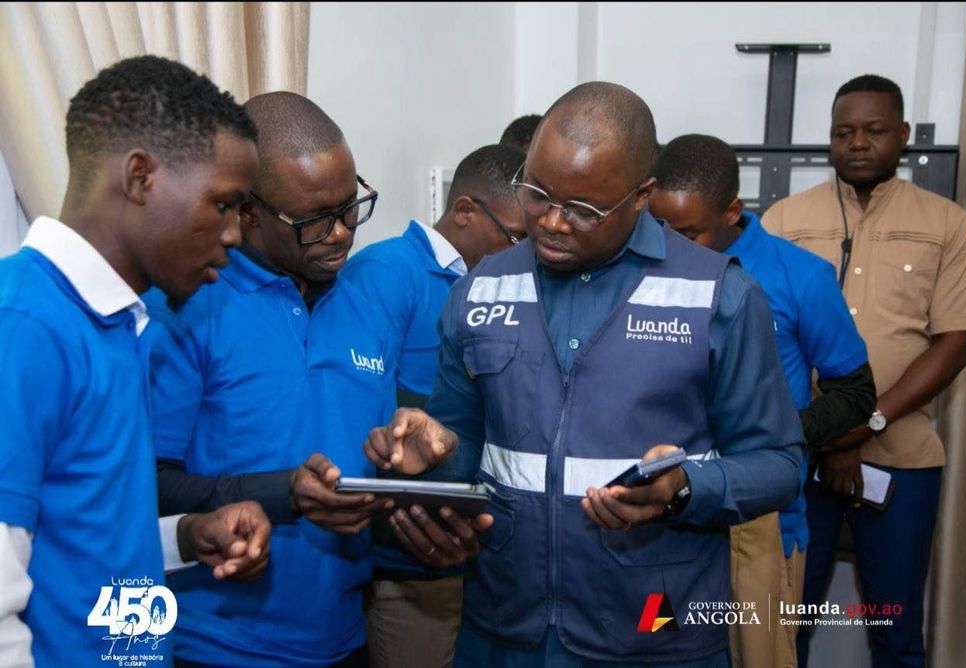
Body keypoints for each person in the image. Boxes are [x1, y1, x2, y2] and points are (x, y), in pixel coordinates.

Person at [365, 81, 805, 667]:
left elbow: (779, 464)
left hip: (652, 630)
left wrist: (685, 488)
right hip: (504, 627)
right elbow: (464, 443)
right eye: (537, 194)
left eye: (583, 209)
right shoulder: (482, 288)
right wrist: (432, 452)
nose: (552, 222)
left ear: (641, 196)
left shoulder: (717, 294)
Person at [144, 91, 451, 668]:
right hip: (209, 645)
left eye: (350, 207)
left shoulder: (367, 305)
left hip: (343, 639)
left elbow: (357, 465)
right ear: (248, 211)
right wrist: (282, 493)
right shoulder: (186, 306)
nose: (340, 234)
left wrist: (405, 465)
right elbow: (144, 487)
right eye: (314, 221)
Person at [0, 55, 272, 668]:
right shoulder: (24, 325)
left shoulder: (120, 324)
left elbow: (78, 538)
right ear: (141, 177)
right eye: (224, 205)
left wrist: (185, 537)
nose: (235, 234)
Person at [762, 74, 966, 667]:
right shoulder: (784, 220)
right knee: (785, 624)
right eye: (844, 132)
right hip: (799, 458)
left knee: (895, 627)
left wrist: (864, 423)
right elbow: (758, 340)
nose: (858, 143)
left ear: (904, 135)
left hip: (901, 457)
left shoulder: (944, 222)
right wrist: (827, 431)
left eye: (874, 130)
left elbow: (956, 341)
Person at [649, 134, 877, 668]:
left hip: (758, 525)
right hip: (663, 522)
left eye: (688, 233)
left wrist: (777, 432)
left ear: (731, 211)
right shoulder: (643, 271)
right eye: (658, 228)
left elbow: (855, 393)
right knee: (656, 648)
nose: (671, 246)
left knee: (757, 657)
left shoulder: (800, 276)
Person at [338, 143, 526, 668]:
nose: (526, 251)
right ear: (464, 210)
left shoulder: (498, 283)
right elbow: (361, 409)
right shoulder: (388, 271)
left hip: (472, 545)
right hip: (404, 554)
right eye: (517, 236)